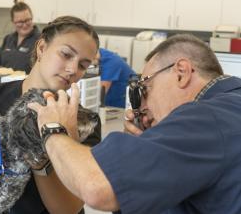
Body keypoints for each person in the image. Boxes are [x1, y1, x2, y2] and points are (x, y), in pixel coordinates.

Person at [28, 34, 241, 213]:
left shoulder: (207, 118)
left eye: (144, 89)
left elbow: (96, 186)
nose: (141, 108)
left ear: (181, 73)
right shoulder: (230, 105)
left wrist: (54, 129)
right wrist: (142, 157)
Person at [0, 16, 101, 214]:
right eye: (66, 54)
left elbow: (68, 209)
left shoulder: (84, 122)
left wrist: (45, 150)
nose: (72, 70)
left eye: (82, 65)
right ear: (42, 48)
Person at [0, 0, 40, 74]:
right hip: (5, 85)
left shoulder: (40, 40)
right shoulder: (8, 39)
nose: (24, 25)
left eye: (28, 20)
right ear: (13, 22)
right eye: (20, 22)